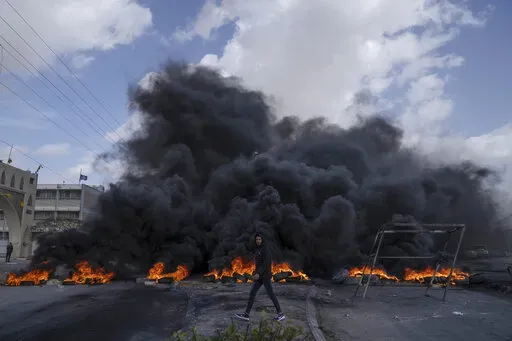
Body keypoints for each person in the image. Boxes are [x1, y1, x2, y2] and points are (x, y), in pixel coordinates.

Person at [235, 233, 285, 322]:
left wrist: (258, 273)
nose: (258, 241)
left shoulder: (265, 249)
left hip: (265, 276)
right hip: (259, 277)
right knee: (252, 293)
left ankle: (280, 314)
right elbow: (258, 264)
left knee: (271, 294)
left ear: (262, 240)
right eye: (257, 239)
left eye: (259, 239)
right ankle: (246, 314)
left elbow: (266, 263)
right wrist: (255, 272)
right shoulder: (259, 248)